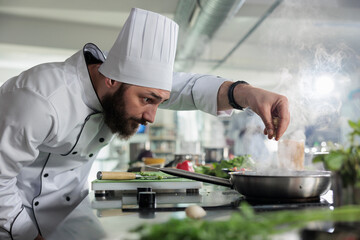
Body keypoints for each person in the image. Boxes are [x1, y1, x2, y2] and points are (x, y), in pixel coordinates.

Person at [0, 8, 289, 240]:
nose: (151, 117)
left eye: (159, 102)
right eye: (147, 100)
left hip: (71, 212)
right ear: (111, 78)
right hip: (13, 218)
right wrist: (28, 235)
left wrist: (247, 94)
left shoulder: (124, 82)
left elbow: (187, 87)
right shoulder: (40, 98)